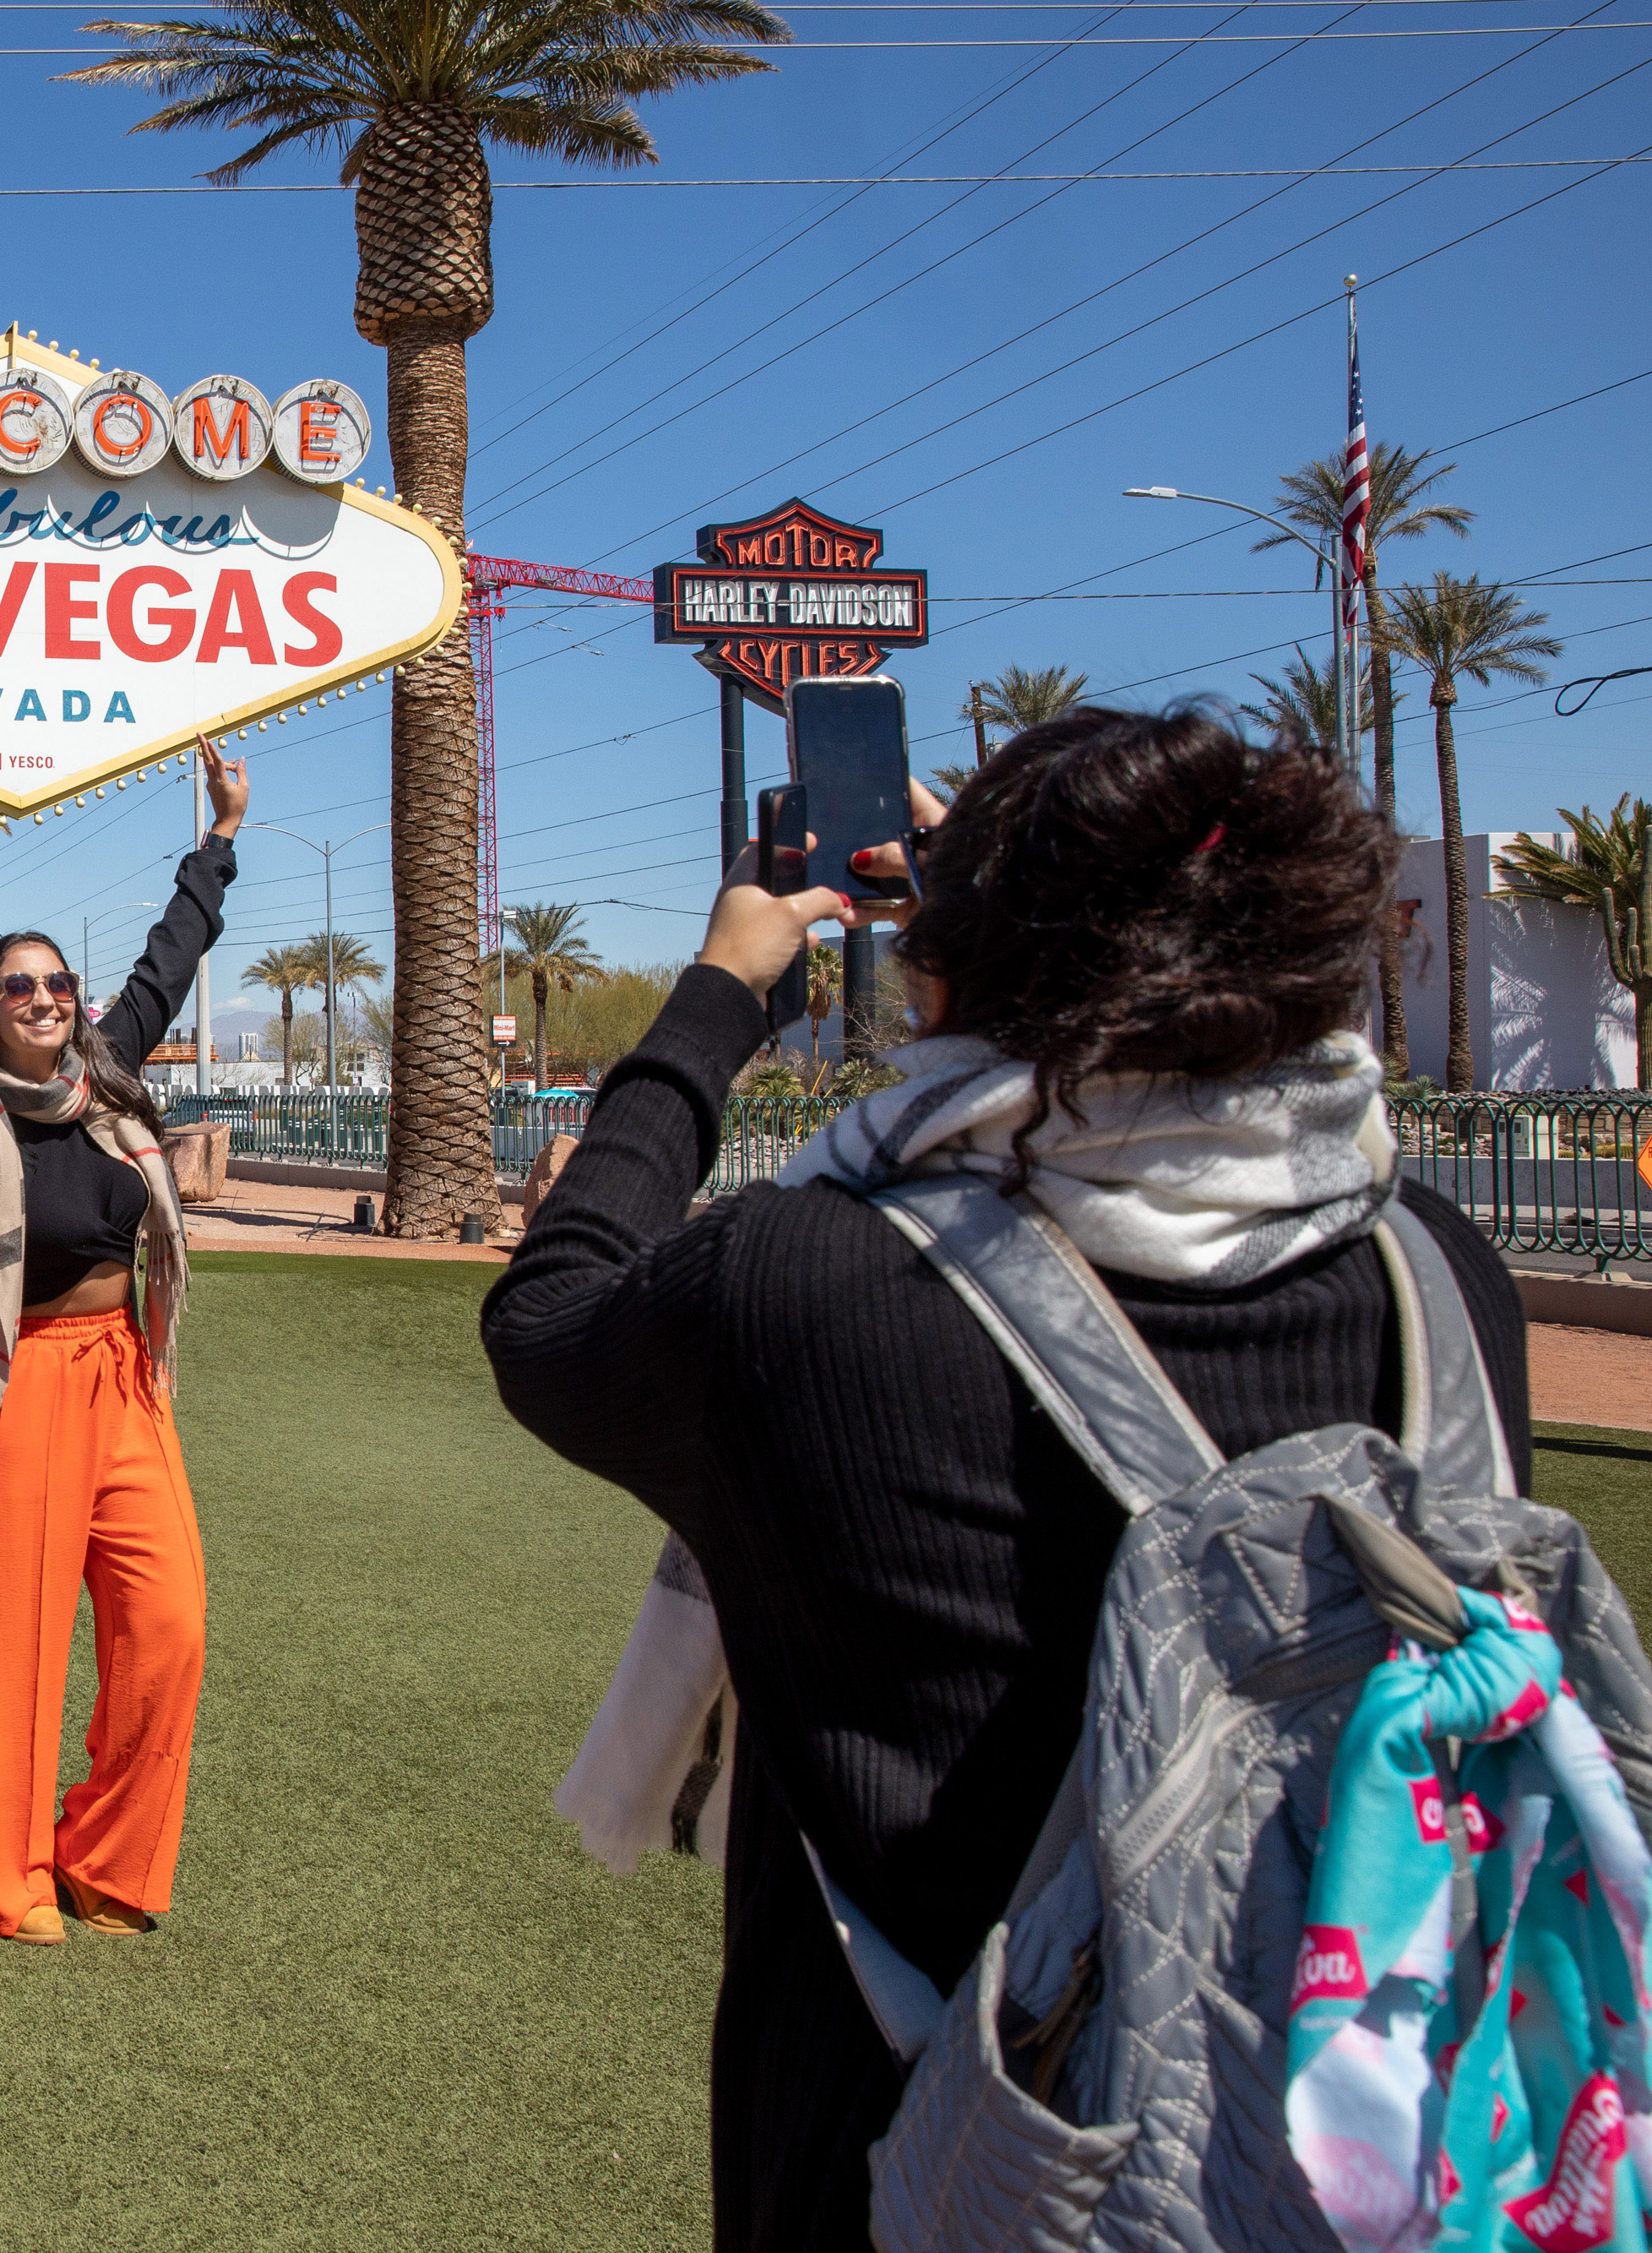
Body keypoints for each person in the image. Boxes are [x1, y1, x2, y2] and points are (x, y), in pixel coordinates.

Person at [479, 705, 1529, 2251]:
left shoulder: (818, 1282)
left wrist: (715, 998)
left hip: (930, 2136)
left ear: (944, 977)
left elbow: (553, 1312)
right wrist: (1037, 889)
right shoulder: (1437, 1263)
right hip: (1366, 2132)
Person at [0, 734, 247, 1945]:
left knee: (172, 1621)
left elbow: (169, 956)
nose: (44, 998)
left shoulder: (112, 1083)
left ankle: (104, 1848)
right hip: (17, 1391)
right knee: (17, 1643)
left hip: (126, 1382)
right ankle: (12, 1876)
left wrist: (221, 838)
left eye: (56, 985)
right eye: (18, 988)